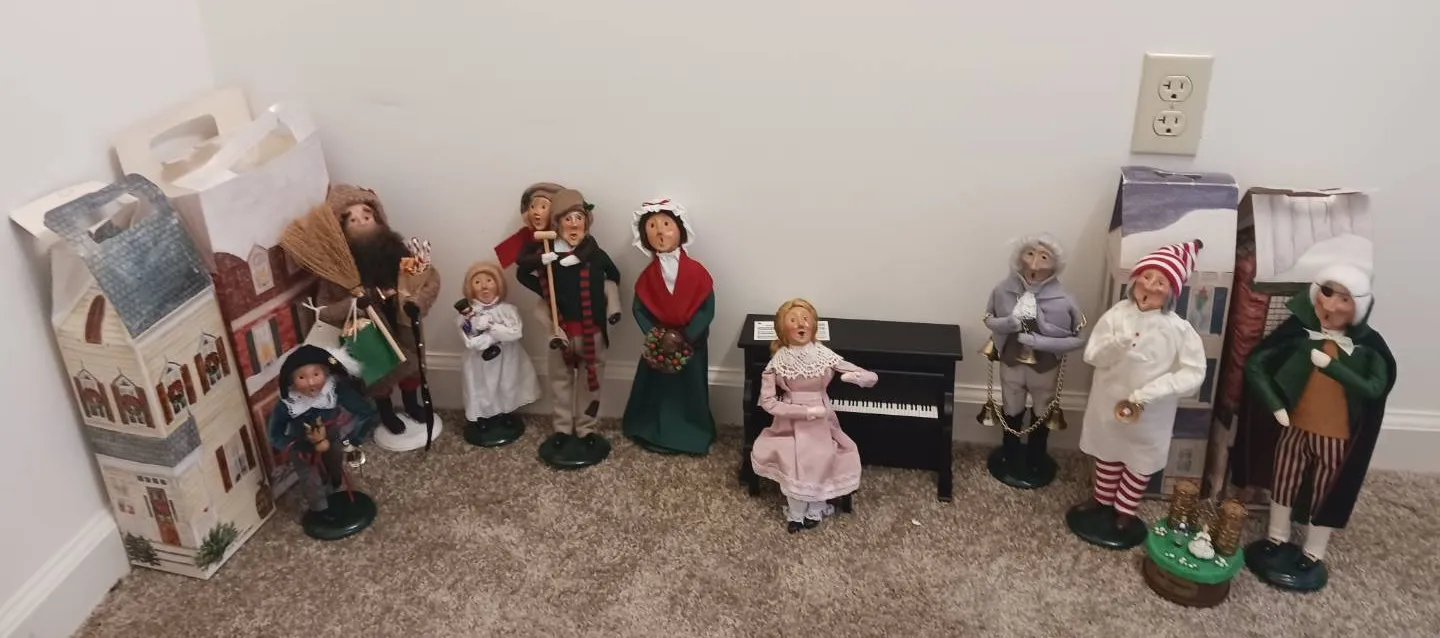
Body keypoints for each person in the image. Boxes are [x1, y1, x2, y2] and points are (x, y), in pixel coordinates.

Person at [1243, 263, 1396, 592]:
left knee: (1326, 493)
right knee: (1283, 481)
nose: (1331, 305)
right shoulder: (1300, 335)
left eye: (1344, 298)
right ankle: (1276, 536)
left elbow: (1375, 389)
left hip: (1335, 436)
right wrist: (1275, 405)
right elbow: (1256, 364)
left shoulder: (1368, 348)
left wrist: (1333, 367)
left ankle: (1313, 551)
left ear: (1358, 306)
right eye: (1326, 293)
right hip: (1295, 425)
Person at [1068, 240, 1208, 549]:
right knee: (1107, 449)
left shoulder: (1179, 330)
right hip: (1109, 399)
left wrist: (1156, 390)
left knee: (1138, 458)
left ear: (1171, 292)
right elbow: (1093, 354)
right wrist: (1115, 345)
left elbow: (1194, 372)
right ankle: (1102, 499)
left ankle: (1125, 509)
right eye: (1147, 277)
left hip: (1150, 412)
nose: (1150, 286)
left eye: (1160, 282)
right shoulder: (1117, 315)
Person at [313, 184, 441, 440]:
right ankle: (386, 411)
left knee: (412, 366)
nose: (361, 221)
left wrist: (416, 301)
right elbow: (324, 310)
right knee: (379, 371)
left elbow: (430, 279)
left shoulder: (400, 252)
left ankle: (412, 403)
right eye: (352, 219)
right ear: (341, 228)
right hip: (369, 329)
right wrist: (354, 304)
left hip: (401, 320)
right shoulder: (337, 271)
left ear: (378, 217)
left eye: (366, 215)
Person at [750, 299, 878, 533]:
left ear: (814, 325)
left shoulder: (824, 354)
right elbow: (768, 402)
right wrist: (804, 412)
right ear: (783, 329)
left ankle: (815, 510)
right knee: (791, 460)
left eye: (806, 319)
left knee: (823, 457)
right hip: (790, 421)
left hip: (822, 420)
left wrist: (856, 377)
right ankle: (796, 514)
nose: (801, 323)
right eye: (793, 320)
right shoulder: (777, 363)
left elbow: (870, 377)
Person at [515, 188, 621, 468]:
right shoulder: (548, 255)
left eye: (579, 218)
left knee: (590, 383)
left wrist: (607, 297)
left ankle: (586, 429)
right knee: (560, 383)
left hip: (592, 334)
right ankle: (562, 429)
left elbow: (614, 275)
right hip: (560, 334)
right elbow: (521, 272)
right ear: (557, 223)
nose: (574, 225)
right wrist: (542, 278)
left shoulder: (595, 254)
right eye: (567, 219)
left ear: (586, 222)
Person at [981, 233, 1086, 488]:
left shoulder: (1064, 300)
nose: (1035, 264)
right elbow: (988, 319)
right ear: (1019, 257)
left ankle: (1036, 457)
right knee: (1011, 407)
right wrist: (1008, 323)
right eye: (1030, 254)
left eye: (1043, 257)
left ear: (1055, 264)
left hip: (1044, 368)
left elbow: (1077, 339)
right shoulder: (1003, 290)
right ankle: (1010, 453)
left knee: (1042, 411)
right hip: (1012, 362)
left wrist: (1039, 339)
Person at [621, 199, 717, 455]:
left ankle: (692, 430)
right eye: (652, 227)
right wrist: (656, 336)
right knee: (657, 389)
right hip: (660, 346)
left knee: (691, 387)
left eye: (666, 224)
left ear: (680, 230)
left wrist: (688, 335)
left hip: (691, 344)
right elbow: (639, 309)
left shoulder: (696, 272)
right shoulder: (647, 276)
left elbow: (706, 308)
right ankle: (654, 428)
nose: (660, 232)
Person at [267, 344, 379, 540]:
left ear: (326, 373)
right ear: (291, 381)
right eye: (302, 377)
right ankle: (320, 510)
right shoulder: (287, 405)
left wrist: (354, 439)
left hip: (331, 436)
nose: (311, 382)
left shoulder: (334, 391)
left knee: (334, 461)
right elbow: (275, 434)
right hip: (302, 443)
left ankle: (334, 485)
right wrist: (297, 446)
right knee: (310, 476)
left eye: (316, 374)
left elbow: (365, 411)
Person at [457, 260, 541, 447]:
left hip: (507, 358)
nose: (484, 286)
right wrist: (485, 337)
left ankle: (504, 413)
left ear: (498, 284)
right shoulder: (468, 316)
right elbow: (470, 341)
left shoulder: (509, 311)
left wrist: (492, 328)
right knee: (482, 388)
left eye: (489, 280)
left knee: (506, 384)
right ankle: (482, 417)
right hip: (480, 362)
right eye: (477, 282)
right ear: (470, 287)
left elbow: (515, 333)